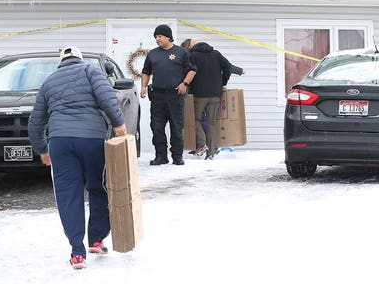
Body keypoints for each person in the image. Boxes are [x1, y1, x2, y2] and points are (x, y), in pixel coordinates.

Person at [28, 46, 127, 270]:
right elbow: (107, 98)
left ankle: (77, 252)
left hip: (60, 142)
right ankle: (96, 239)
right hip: (91, 139)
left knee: (68, 194)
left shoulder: (49, 81)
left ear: (60, 62)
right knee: (98, 187)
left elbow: (36, 122)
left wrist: (42, 149)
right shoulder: (91, 71)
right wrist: (119, 123)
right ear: (80, 59)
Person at [140, 24, 196, 165]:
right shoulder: (152, 54)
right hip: (157, 96)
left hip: (175, 95)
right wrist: (143, 86)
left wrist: (184, 84)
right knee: (157, 127)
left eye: (159, 36)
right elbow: (146, 71)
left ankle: (177, 156)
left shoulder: (181, 52)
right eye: (156, 37)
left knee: (176, 127)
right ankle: (161, 156)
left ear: (168, 37)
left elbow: (192, 70)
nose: (157, 39)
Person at [188, 37, 232, 160]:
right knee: (212, 123)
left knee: (196, 119)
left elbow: (187, 72)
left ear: (193, 46)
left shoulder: (192, 55)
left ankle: (201, 145)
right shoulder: (216, 54)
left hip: (199, 94)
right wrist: (223, 82)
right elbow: (228, 67)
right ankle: (211, 152)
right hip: (215, 94)